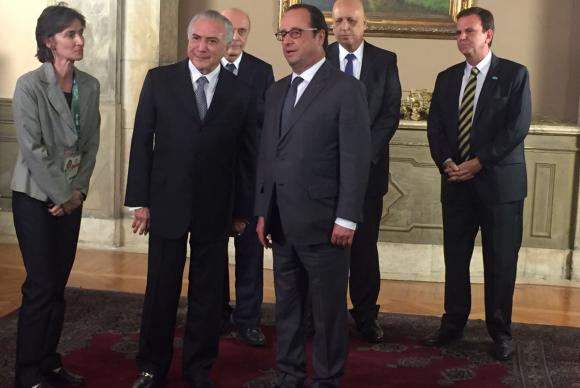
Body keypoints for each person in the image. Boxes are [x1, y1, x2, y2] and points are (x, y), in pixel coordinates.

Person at [125, 10, 256, 388]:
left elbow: (247, 157)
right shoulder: (159, 80)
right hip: (166, 204)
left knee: (207, 296)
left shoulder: (241, 93)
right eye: (196, 38)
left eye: (212, 41)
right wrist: (139, 201)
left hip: (217, 210)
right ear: (188, 40)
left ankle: (199, 368)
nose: (202, 47)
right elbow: (141, 144)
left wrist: (242, 212)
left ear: (226, 44)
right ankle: (151, 366)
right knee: (160, 291)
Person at [255, 4, 370, 387]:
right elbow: (268, 156)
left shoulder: (345, 89)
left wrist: (347, 217)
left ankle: (326, 379)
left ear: (320, 37)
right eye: (282, 34)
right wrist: (262, 211)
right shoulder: (276, 91)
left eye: (295, 33)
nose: (287, 41)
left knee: (327, 313)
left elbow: (356, 158)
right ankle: (289, 374)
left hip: (326, 225)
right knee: (286, 309)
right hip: (283, 223)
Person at [424, 6, 531, 361]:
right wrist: (447, 162)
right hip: (456, 184)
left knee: (500, 262)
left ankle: (500, 331)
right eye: (458, 32)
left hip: (500, 187)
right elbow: (435, 128)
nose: (461, 38)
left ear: (488, 34)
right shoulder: (447, 77)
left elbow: (516, 128)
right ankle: (452, 324)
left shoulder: (515, 75)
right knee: (455, 259)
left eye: (468, 31)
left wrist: (479, 162)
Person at [10, 3, 100, 388]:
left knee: (57, 286)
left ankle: (49, 363)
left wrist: (77, 191)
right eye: (70, 34)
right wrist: (62, 194)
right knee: (41, 285)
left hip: (71, 198)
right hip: (34, 197)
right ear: (49, 41)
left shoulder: (90, 85)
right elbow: (33, 149)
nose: (79, 40)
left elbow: (91, 144)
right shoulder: (29, 85)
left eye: (81, 33)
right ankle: (27, 373)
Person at [326, 0, 401, 343]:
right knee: (325, 249)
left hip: (368, 173)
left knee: (364, 248)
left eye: (351, 21)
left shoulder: (385, 61)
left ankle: (366, 315)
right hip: (324, 174)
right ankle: (324, 313)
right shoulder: (319, 57)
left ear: (365, 24)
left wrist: (360, 156)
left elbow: (389, 114)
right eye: (338, 20)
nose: (344, 27)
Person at [219, 7, 275, 347]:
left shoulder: (261, 71)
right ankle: (216, 313)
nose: (236, 37)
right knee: (211, 254)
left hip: (251, 178)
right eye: (230, 30)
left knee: (251, 254)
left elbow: (266, 128)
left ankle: (249, 319)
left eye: (242, 31)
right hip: (215, 179)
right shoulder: (206, 68)